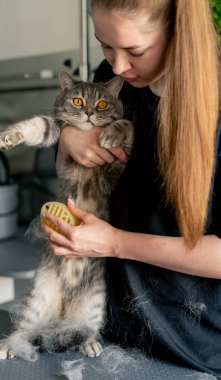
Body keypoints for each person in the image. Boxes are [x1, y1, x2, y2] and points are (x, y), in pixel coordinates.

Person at [43, 0, 221, 377]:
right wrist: (68, 140)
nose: (118, 66)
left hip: (191, 353)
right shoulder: (111, 78)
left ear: (178, 32)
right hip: (107, 337)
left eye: (135, 51)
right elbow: (74, 174)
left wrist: (114, 242)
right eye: (105, 45)